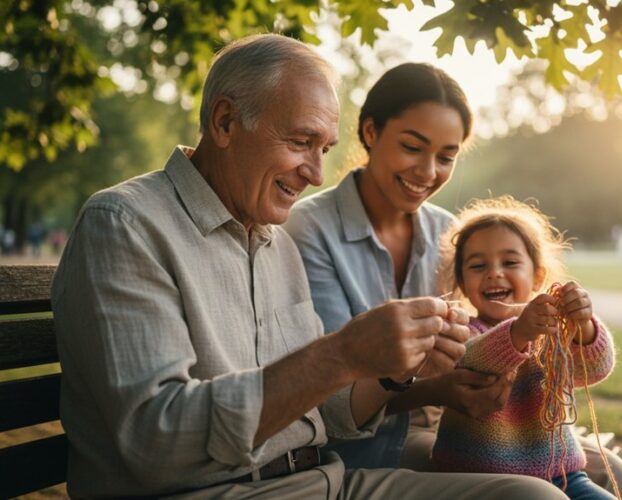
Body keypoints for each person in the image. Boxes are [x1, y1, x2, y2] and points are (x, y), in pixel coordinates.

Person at [51, 34, 568, 499]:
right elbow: (157, 440)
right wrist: (341, 354)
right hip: (219, 491)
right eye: (300, 142)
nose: (317, 173)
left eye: (324, 149)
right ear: (225, 122)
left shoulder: (274, 241)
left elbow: (324, 413)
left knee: (534, 497)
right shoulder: (126, 224)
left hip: (325, 481)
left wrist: (393, 369)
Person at [284, 63, 622, 497]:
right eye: (412, 147)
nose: (428, 172)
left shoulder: (446, 231)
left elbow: (484, 332)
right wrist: (437, 390)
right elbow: (332, 388)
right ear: (370, 132)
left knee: (612, 471)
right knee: (536, 491)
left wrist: (566, 324)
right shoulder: (311, 229)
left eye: (446, 157)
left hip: (454, 428)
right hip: (362, 442)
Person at [430, 196, 622, 500]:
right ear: (462, 283)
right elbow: (469, 362)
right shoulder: (460, 330)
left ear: (537, 276)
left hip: (563, 476)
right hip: (480, 482)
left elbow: (595, 368)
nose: (494, 273)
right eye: (478, 265)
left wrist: (583, 326)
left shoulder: (553, 333)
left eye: (510, 262)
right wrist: (518, 333)